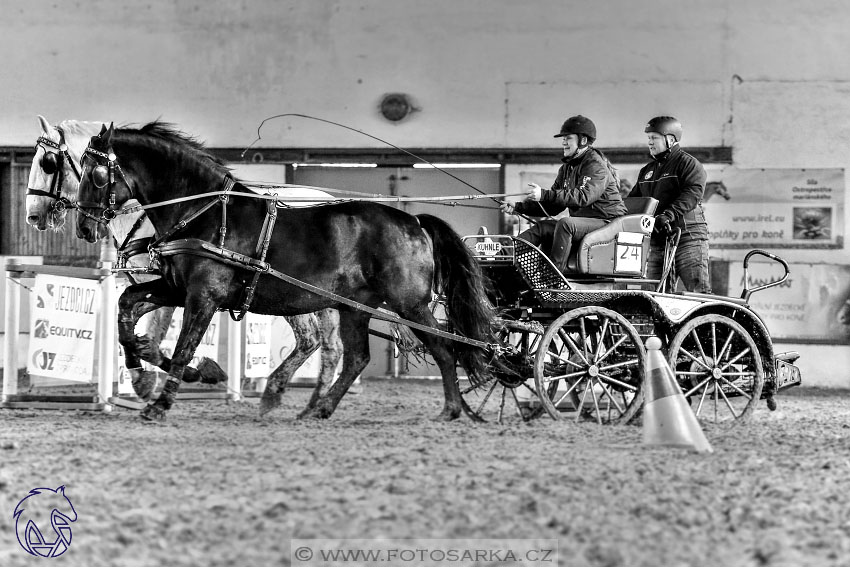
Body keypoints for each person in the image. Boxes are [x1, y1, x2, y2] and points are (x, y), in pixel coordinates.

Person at [502, 115, 626, 273]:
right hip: (586, 224)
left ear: (582, 140)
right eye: (563, 139)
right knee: (543, 227)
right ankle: (503, 257)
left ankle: (553, 276)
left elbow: (583, 197)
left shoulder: (595, 165)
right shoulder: (567, 168)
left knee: (566, 223)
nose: (563, 142)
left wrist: (544, 194)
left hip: (608, 223)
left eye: (568, 138)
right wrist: (519, 207)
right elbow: (553, 206)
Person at [628, 116, 710, 292]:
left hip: (688, 237)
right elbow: (633, 202)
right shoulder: (647, 171)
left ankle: (706, 320)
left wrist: (668, 214)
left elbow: (692, 193)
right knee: (655, 294)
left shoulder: (688, 164)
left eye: (654, 138)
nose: (649, 142)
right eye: (648, 138)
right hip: (659, 241)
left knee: (698, 292)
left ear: (670, 139)